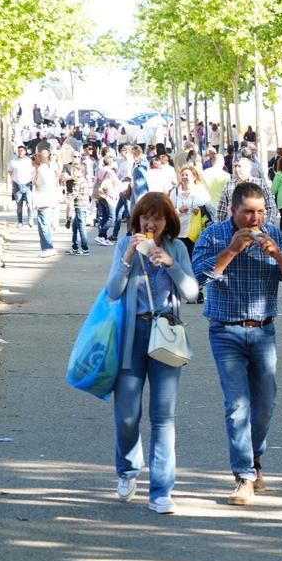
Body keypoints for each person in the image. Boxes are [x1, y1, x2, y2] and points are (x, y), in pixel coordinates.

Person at [192, 182, 282, 506]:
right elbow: (196, 280)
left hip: (263, 329)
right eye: (249, 213)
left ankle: (255, 459)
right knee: (237, 405)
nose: (256, 220)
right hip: (225, 330)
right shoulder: (213, 235)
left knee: (265, 404)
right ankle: (243, 476)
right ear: (233, 211)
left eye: (261, 212)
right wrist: (231, 251)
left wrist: (277, 254)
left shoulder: (273, 233)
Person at [105, 193, 198, 514]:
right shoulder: (125, 245)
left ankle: (161, 490)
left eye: (157, 218)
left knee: (163, 417)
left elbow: (192, 292)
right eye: (146, 217)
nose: (151, 223)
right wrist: (128, 257)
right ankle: (128, 470)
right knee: (127, 414)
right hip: (132, 334)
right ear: (138, 219)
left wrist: (172, 267)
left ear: (167, 221)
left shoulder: (177, 248)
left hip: (167, 334)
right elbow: (113, 291)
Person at [216, 157, 278, 227]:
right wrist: (222, 229)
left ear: (249, 168)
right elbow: (221, 211)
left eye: (240, 167)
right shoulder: (229, 185)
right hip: (234, 229)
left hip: (256, 228)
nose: (237, 169)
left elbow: (272, 207)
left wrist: (268, 226)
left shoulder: (260, 184)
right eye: (235, 166)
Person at [171, 165, 210, 258]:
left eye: (186, 175)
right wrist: (178, 210)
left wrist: (199, 211)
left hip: (197, 233)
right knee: (182, 259)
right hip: (180, 232)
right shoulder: (175, 192)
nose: (184, 177)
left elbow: (209, 209)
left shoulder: (201, 191)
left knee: (195, 258)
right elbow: (168, 212)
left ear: (194, 177)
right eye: (182, 175)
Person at [63, 153, 92, 256]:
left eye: (74, 171)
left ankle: (85, 248)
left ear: (79, 171)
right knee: (75, 226)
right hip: (83, 205)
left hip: (80, 206)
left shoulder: (78, 181)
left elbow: (74, 193)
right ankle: (75, 247)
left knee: (81, 227)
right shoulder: (84, 180)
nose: (73, 173)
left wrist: (65, 200)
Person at [32, 149, 58, 257]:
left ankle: (48, 247)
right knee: (44, 224)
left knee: (43, 225)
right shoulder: (50, 167)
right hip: (49, 198)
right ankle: (45, 247)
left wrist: (34, 178)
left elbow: (39, 184)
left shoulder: (42, 169)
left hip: (43, 199)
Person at [93, 156, 122, 247]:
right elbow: (118, 183)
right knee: (111, 218)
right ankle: (101, 234)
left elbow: (95, 182)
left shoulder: (99, 170)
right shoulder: (110, 172)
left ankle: (104, 238)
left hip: (101, 194)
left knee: (104, 216)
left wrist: (94, 194)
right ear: (111, 162)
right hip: (109, 195)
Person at [8, 145, 34, 227]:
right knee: (19, 206)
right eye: (19, 150)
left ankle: (30, 220)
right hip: (17, 185)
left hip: (27, 185)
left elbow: (33, 171)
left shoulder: (29, 161)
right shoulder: (13, 161)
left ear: (25, 152)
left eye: (22, 150)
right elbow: (10, 171)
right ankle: (20, 222)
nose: (20, 152)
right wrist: (12, 180)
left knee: (29, 204)